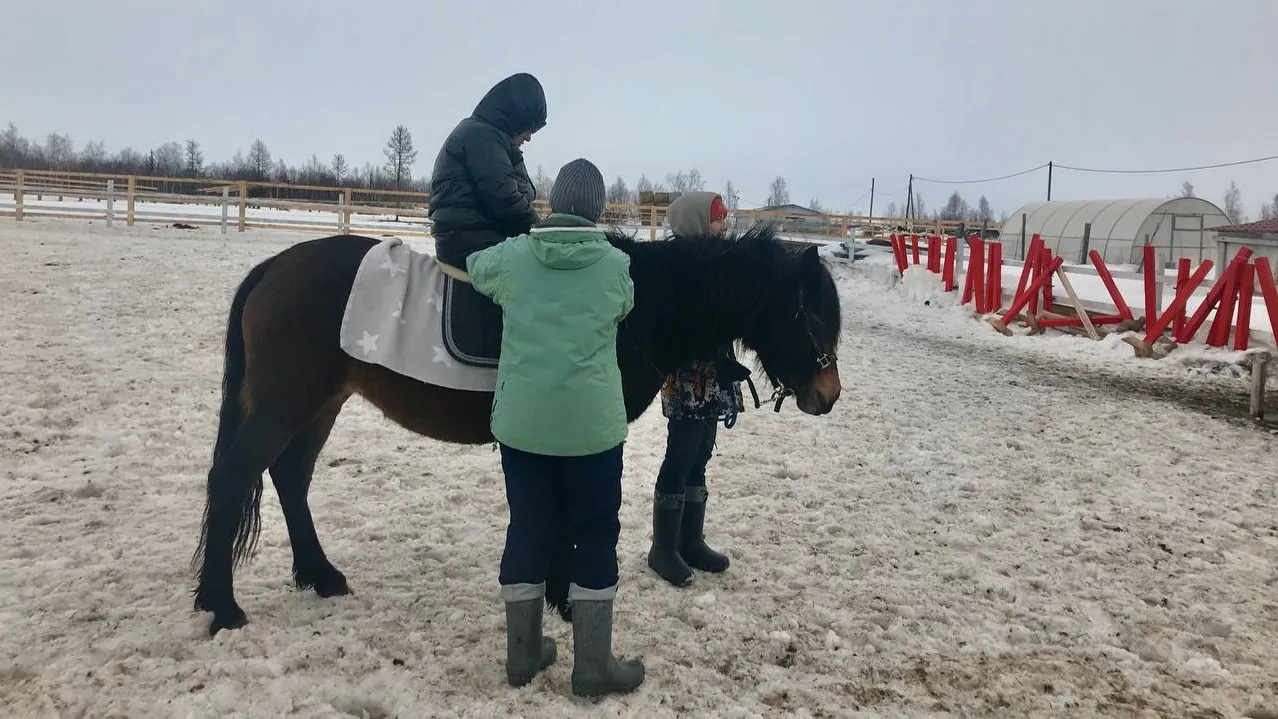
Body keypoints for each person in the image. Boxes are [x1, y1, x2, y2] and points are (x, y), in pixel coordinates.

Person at [466, 158, 645, 698]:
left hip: (523, 428)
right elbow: (625, 306)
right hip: (592, 433)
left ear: (553, 202)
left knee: (528, 528)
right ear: (596, 211)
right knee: (594, 534)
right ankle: (592, 666)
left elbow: (474, 266)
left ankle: (523, 656)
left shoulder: (515, 258)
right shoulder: (615, 266)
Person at [646, 191, 751, 587]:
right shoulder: (680, 266)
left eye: (724, 218)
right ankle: (663, 547)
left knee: (702, 453)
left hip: (715, 378)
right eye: (717, 219)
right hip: (687, 380)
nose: (724, 226)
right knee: (681, 454)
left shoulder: (719, 264)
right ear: (694, 223)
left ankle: (691, 540)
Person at [430, 72, 547, 271]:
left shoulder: (497, 141)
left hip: (478, 236)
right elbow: (505, 199)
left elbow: (525, 190)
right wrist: (543, 235)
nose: (528, 137)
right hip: (469, 242)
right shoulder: (481, 137)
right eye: (527, 128)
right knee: (541, 272)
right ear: (514, 117)